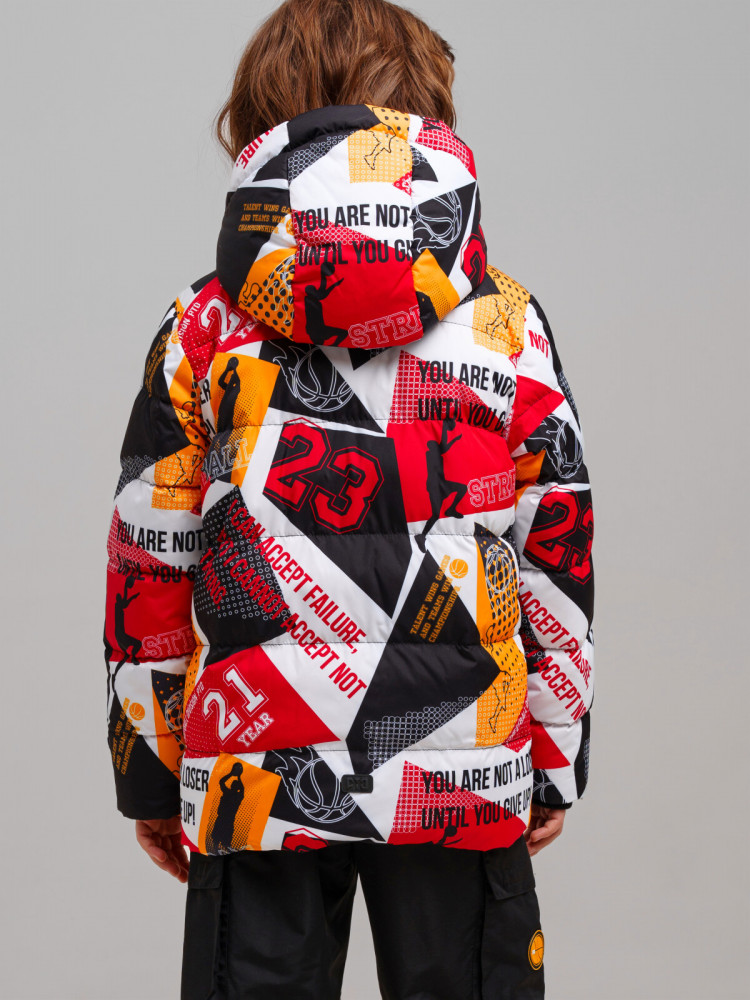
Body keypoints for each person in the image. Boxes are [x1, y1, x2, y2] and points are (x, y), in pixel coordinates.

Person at [103, 1, 595, 997]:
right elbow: (558, 547)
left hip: (258, 773)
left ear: (256, 122)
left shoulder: (202, 327)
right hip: (460, 766)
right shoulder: (507, 324)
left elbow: (149, 562)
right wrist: (553, 753)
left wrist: (149, 769)